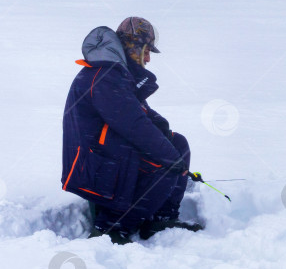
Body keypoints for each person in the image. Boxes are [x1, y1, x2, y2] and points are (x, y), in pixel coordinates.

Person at [61, 17, 201, 243]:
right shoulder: (105, 76)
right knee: (164, 163)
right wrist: (169, 157)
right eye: (146, 51)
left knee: (178, 144)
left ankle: (161, 217)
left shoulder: (115, 73)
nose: (147, 59)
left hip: (107, 155)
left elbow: (136, 112)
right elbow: (133, 124)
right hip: (93, 165)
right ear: (132, 47)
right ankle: (112, 226)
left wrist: (162, 128)